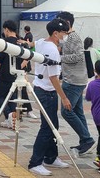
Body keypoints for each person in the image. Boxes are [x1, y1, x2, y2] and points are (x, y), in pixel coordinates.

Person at [28, 18, 72, 176]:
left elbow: (33, 46)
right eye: (64, 33)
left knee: (53, 125)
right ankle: (35, 162)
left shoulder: (41, 42)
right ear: (56, 33)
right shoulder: (53, 50)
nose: (65, 36)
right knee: (47, 127)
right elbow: (54, 78)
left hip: (40, 87)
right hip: (47, 91)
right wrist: (64, 98)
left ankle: (50, 157)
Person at [56, 11, 95, 155]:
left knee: (67, 112)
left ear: (66, 23)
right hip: (76, 79)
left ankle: (87, 139)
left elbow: (79, 57)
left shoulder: (74, 37)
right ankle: (85, 142)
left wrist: (61, 57)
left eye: (59, 22)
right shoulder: (69, 38)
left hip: (74, 80)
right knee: (78, 112)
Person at [0, 20, 20, 129]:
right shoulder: (20, 42)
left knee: (0, 96)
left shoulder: (4, 43)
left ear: (6, 29)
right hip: (17, 75)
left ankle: (9, 115)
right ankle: (12, 119)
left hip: (5, 74)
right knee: (13, 97)